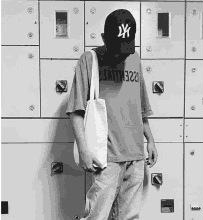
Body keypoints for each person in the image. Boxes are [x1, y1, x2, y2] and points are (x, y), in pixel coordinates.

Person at [66, 9, 158, 220]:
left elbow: (141, 107)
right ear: (103, 38)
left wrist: (150, 140)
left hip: (135, 155)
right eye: (116, 48)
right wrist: (83, 149)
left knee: (129, 217)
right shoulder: (89, 60)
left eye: (125, 48)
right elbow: (76, 111)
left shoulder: (134, 59)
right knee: (96, 216)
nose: (120, 54)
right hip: (106, 157)